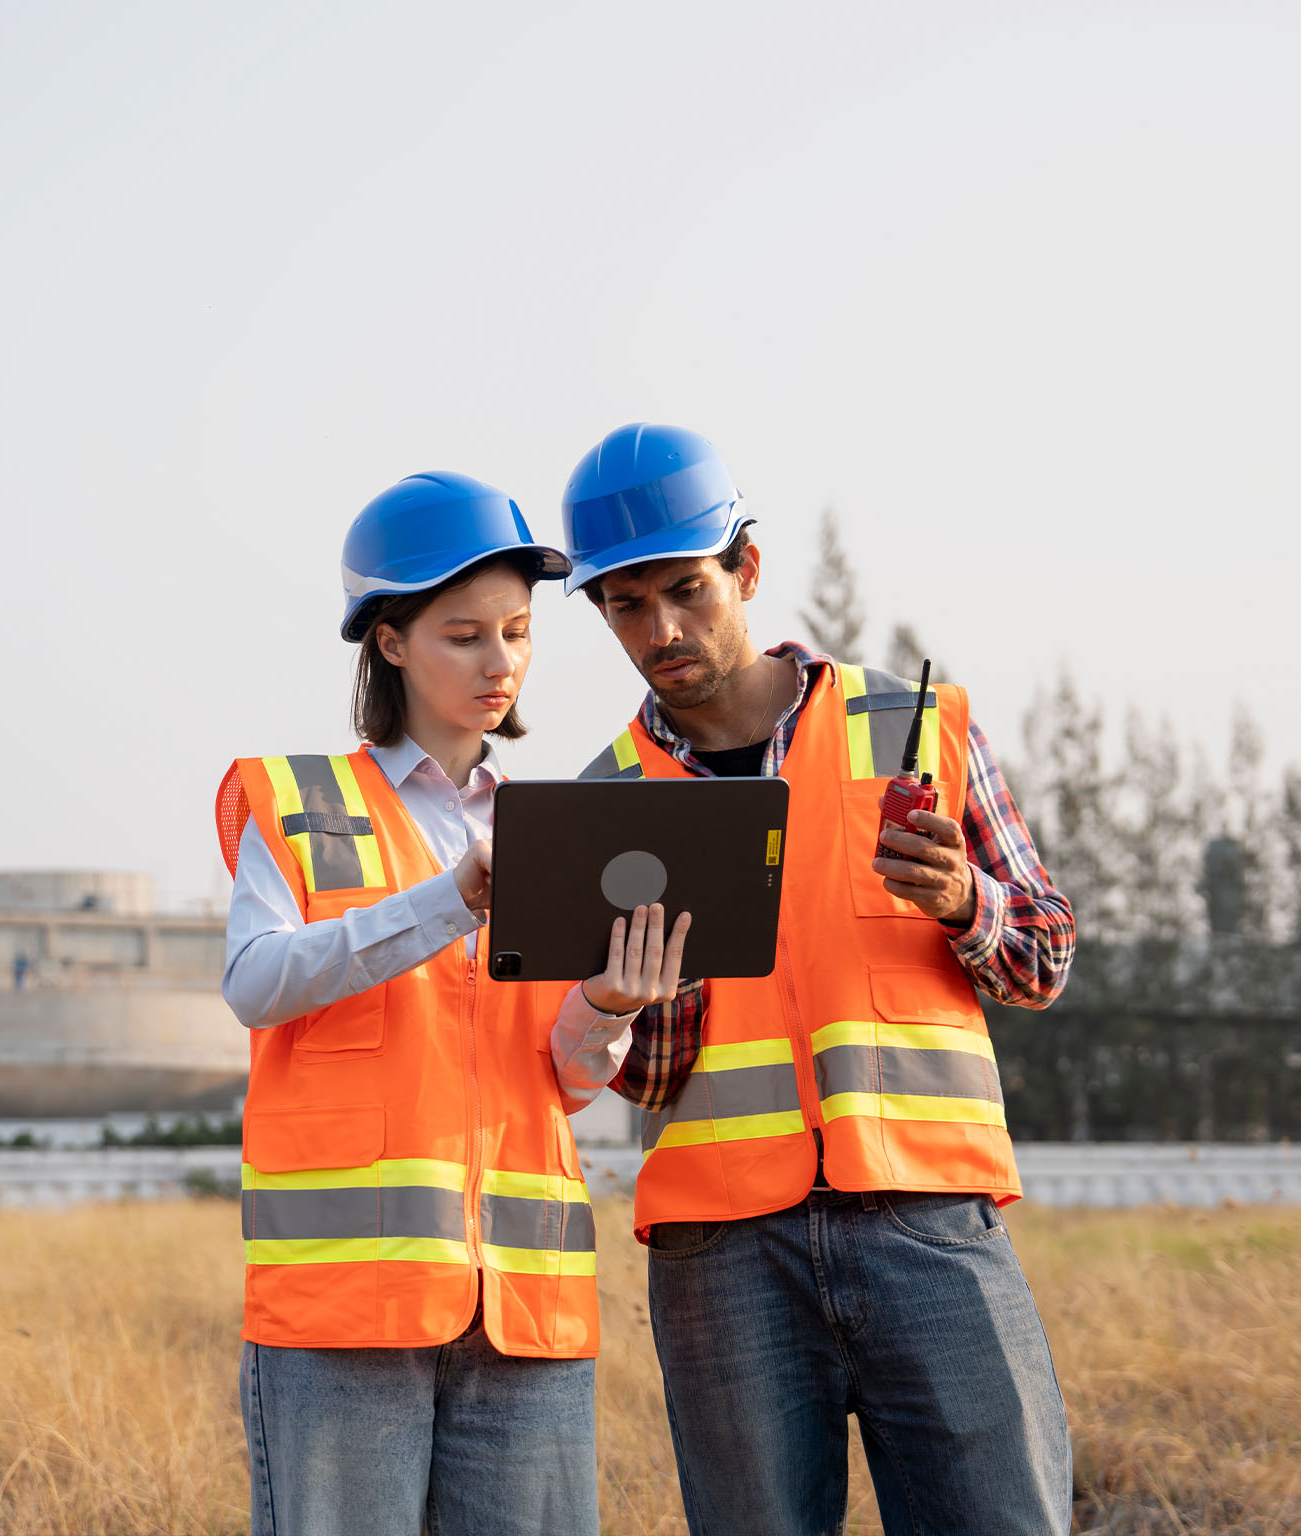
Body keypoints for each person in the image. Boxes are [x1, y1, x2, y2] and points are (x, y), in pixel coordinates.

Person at [564, 425, 1076, 1536]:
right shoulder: (610, 799)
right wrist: (630, 1002)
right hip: (721, 1253)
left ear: (745, 570)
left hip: (929, 1223)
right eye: (626, 605)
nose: (661, 630)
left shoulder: (915, 726)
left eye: (686, 589)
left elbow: (1044, 956)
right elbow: (647, 1083)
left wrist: (965, 905)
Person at [213, 470, 690, 1536]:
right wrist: (446, 900)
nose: (500, 664)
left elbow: (563, 1081)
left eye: (517, 634)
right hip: (348, 1313)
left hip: (526, 1308)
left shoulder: (556, 826)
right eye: (464, 634)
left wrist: (608, 1008)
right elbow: (255, 985)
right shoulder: (299, 803)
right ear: (389, 641)